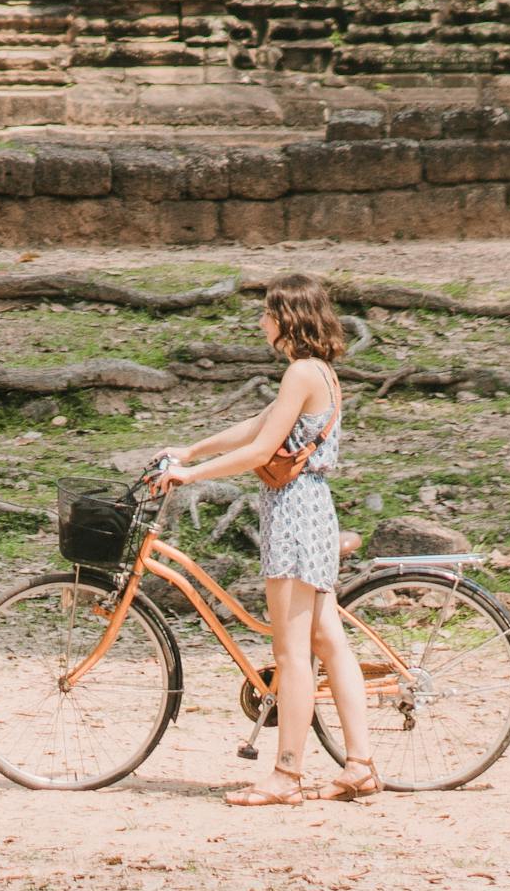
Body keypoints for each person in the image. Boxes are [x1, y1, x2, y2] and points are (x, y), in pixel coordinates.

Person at [153, 274, 376, 805]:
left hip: (296, 514)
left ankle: (287, 775)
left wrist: (191, 476)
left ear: (286, 319)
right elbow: (259, 425)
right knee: (328, 641)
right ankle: (360, 765)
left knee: (292, 651)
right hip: (309, 509)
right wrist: (193, 449)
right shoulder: (316, 372)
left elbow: (260, 452)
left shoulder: (301, 372)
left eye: (266, 313)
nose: (260, 322)